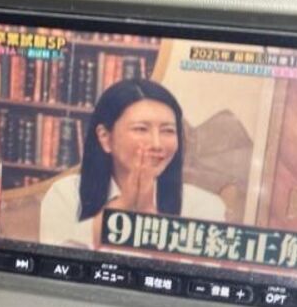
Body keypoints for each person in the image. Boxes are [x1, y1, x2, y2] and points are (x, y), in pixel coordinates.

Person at [40, 79, 226, 248]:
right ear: (105, 137)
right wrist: (123, 205)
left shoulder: (205, 205)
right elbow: (55, 260)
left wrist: (150, 218)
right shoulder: (66, 194)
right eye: (141, 129)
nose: (156, 144)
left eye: (168, 131)